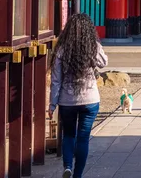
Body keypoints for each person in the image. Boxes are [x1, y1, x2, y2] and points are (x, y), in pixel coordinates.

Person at [49, 13, 107, 178]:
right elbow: (104, 63)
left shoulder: (61, 49)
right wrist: (96, 45)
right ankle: (77, 175)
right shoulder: (92, 46)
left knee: (68, 135)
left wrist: (52, 104)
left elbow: (56, 81)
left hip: (67, 101)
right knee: (83, 138)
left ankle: (67, 166)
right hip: (90, 99)